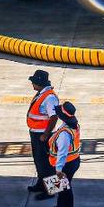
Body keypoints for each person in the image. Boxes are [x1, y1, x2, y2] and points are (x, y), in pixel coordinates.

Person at [26, 69, 60, 200]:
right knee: (39, 161)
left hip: (43, 135)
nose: (32, 84)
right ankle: (41, 185)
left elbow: (54, 117)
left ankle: (53, 190)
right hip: (36, 133)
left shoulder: (49, 97)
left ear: (38, 82)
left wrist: (46, 134)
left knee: (47, 163)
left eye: (33, 82)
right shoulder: (42, 93)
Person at [48, 102, 81, 207]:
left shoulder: (64, 134)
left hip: (66, 164)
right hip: (73, 161)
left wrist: (58, 170)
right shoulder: (72, 125)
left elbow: (62, 153)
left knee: (65, 189)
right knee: (61, 187)